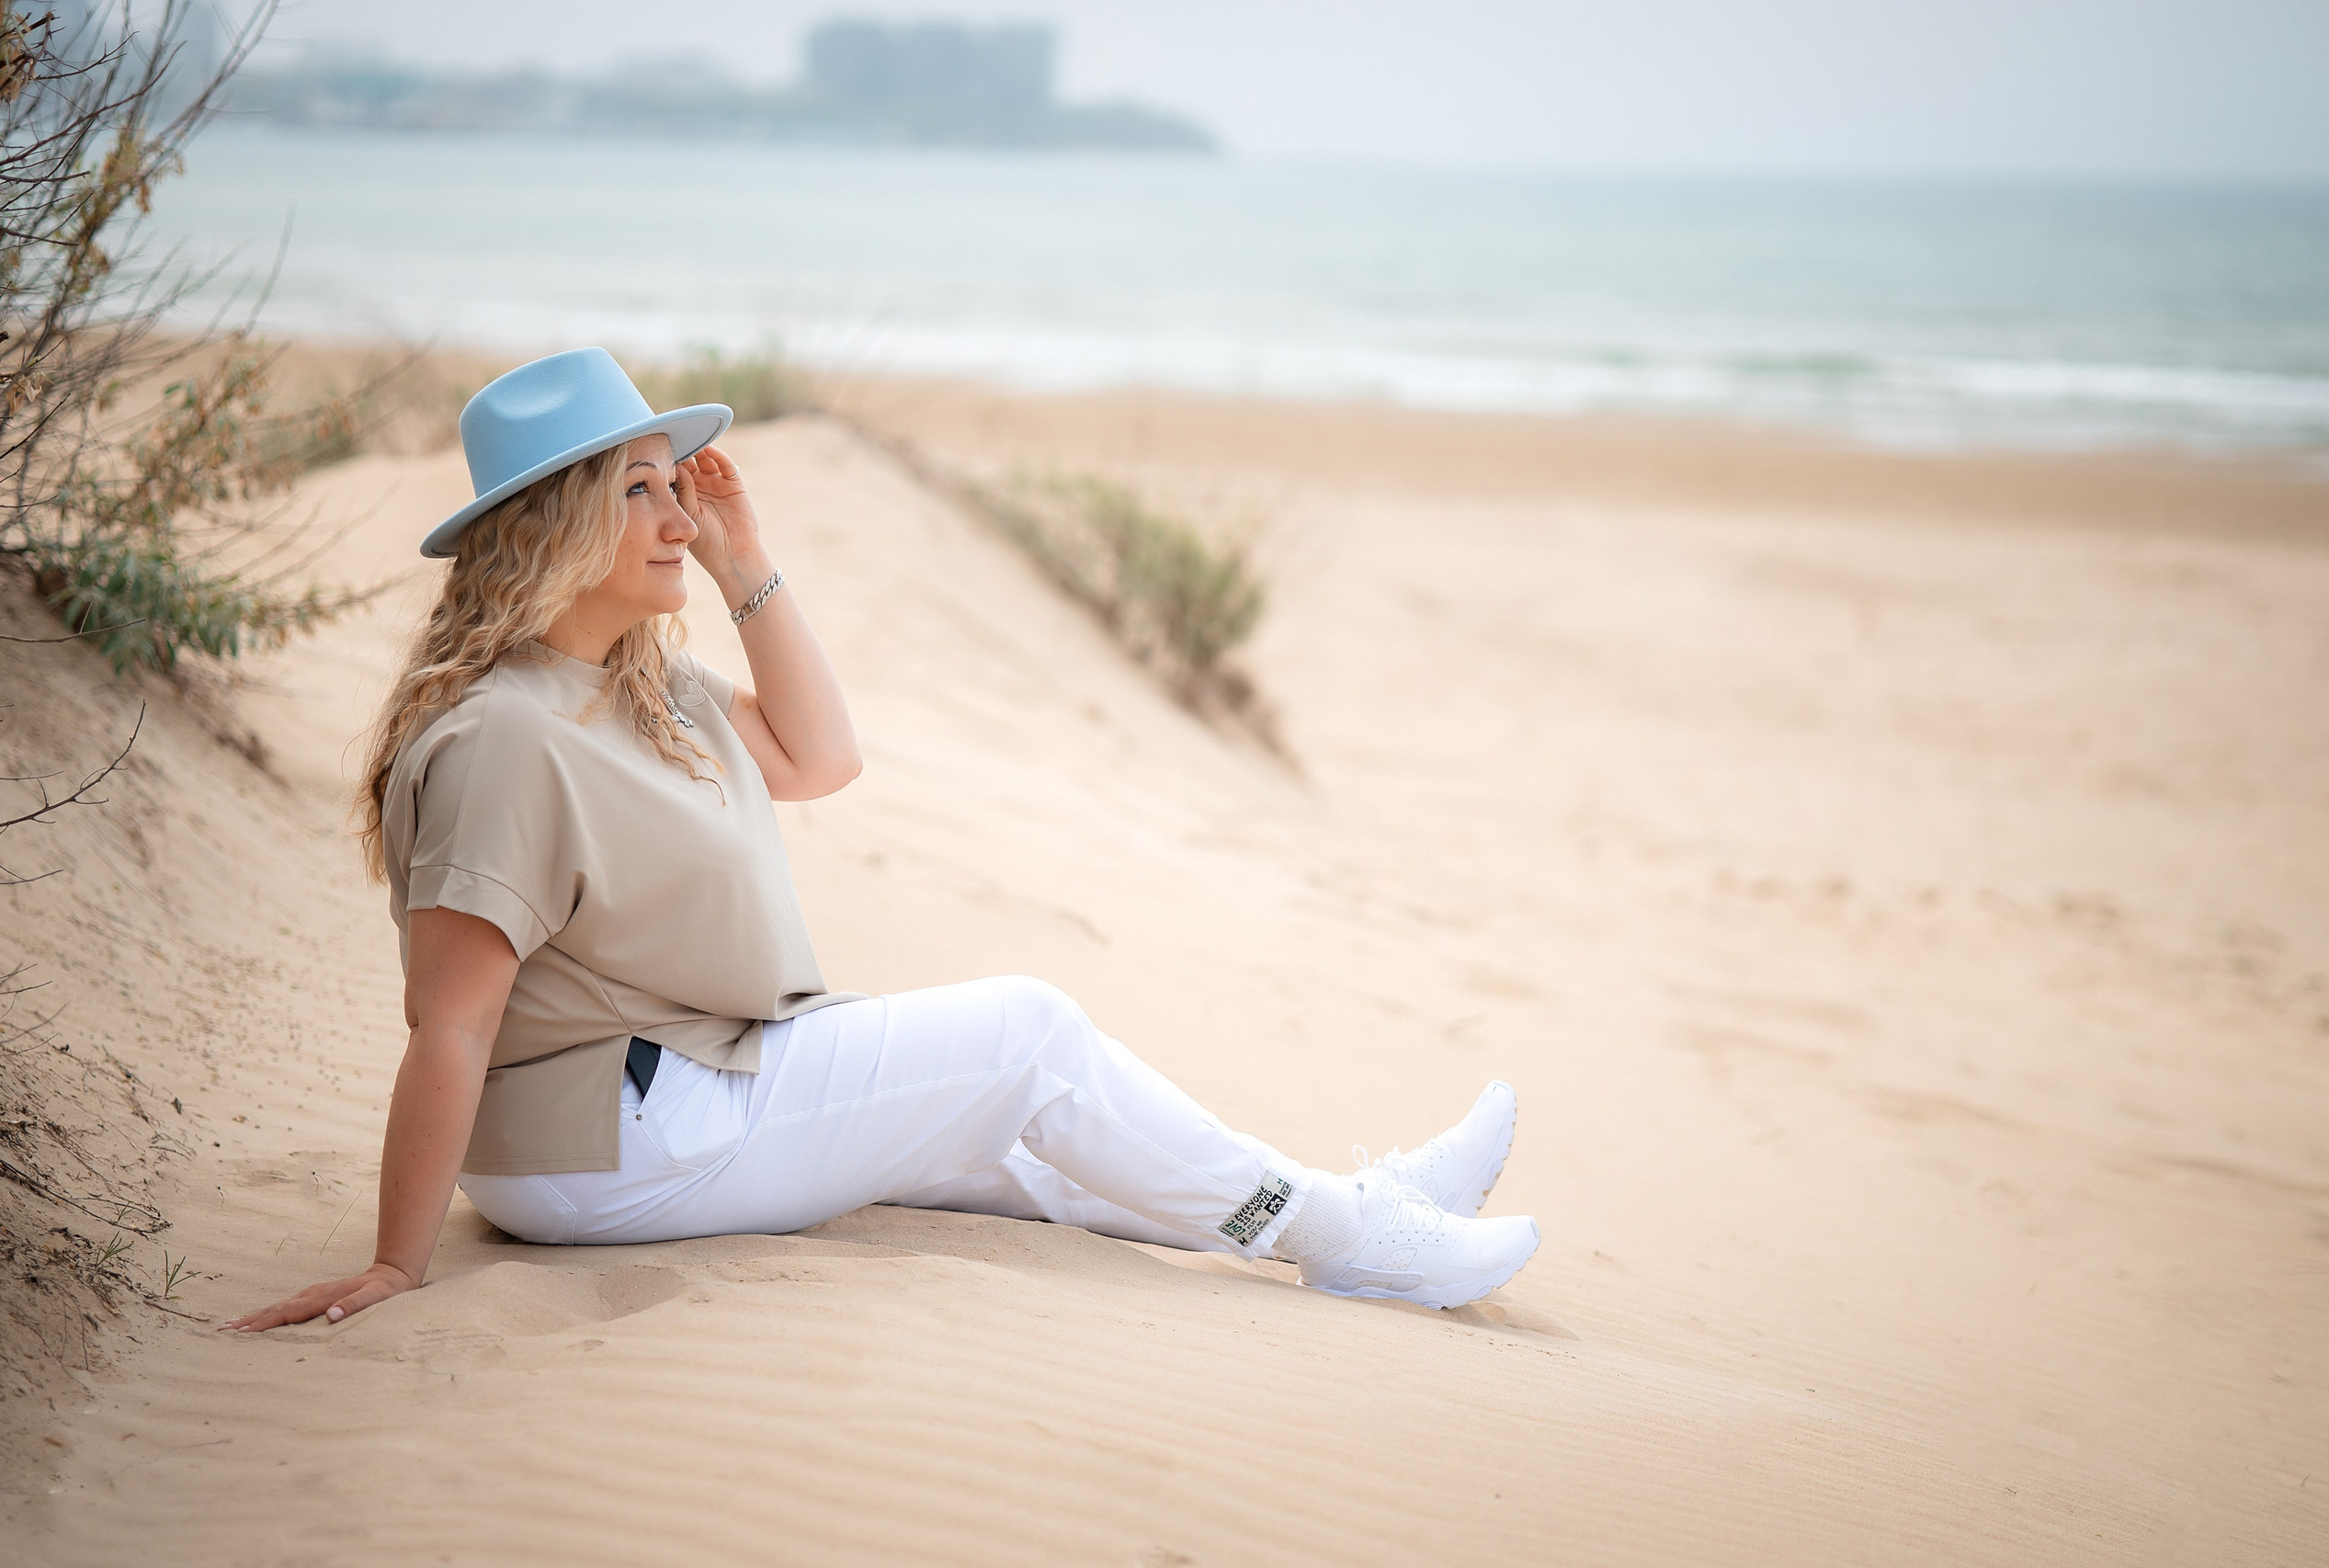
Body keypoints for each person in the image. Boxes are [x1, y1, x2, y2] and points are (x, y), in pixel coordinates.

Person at [222, 348, 1539, 1335]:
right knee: (1029, 1033)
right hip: (599, 1145)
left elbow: (819, 758)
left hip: (695, 1086)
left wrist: (747, 570)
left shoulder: (638, 682)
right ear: (556, 523)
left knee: (1022, 1147)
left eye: (675, 488)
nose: (679, 515)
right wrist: (400, 1261)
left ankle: (1353, 1207)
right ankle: (1350, 1231)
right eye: (643, 493)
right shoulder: (502, 738)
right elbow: (448, 1023)